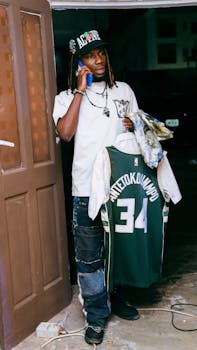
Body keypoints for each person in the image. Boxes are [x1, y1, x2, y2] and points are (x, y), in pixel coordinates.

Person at [52, 29, 140, 346]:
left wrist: (136, 124)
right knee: (89, 257)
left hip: (121, 187)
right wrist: (79, 91)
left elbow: (141, 131)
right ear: (80, 62)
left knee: (119, 249)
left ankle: (117, 299)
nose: (98, 59)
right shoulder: (65, 98)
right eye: (90, 55)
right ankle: (97, 315)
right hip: (86, 189)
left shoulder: (124, 91)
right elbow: (65, 133)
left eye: (101, 53)